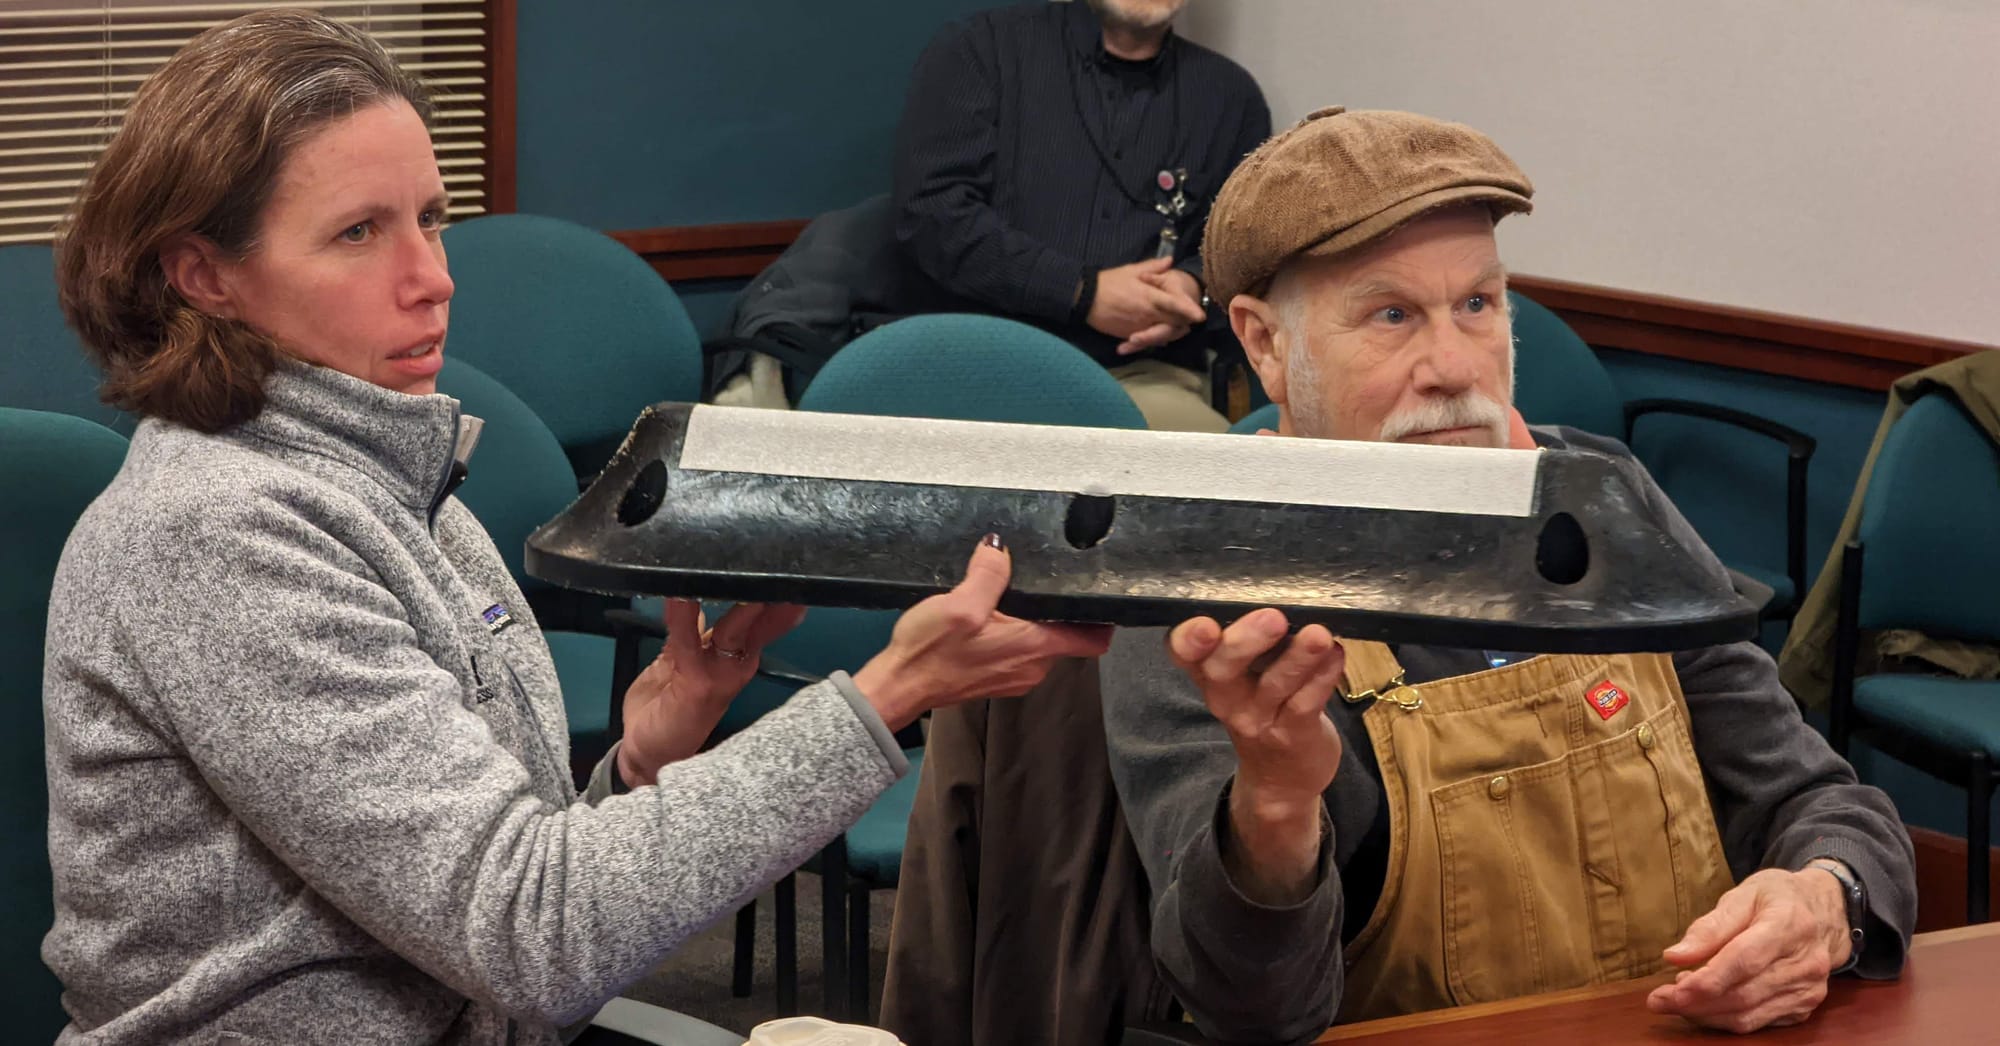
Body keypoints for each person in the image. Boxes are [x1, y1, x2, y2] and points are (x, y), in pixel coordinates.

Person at [42, 12, 1110, 1045]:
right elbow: (532, 936)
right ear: (205, 277)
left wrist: (639, 765)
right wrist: (892, 690)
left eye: (430, 218)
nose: (433, 278)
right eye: (358, 233)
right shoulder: (217, 536)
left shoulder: (394, 480)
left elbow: (498, 901)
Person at [1100, 107, 1917, 1043]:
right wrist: (1275, 810)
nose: (1453, 367)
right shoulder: (1200, 606)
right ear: (1264, 344)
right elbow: (1252, 1014)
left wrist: (1825, 898)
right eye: (1391, 315)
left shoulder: (1606, 509)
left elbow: (1821, 800)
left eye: (1477, 305)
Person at [890, 0, 1270, 433]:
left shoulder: (1231, 97)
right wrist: (1079, 292)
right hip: (980, 360)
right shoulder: (981, 49)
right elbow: (932, 213)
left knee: (1203, 463)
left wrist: (1191, 286)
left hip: (1144, 376)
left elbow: (1240, 248)